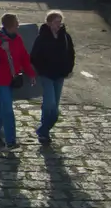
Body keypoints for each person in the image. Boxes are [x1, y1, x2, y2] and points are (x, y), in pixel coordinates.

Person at [0, 12, 34, 148]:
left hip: (12, 79)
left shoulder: (17, 38)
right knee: (8, 110)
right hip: (0, 80)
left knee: (2, 108)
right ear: (11, 25)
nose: (18, 25)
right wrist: (1, 50)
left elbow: (24, 57)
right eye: (16, 23)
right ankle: (10, 141)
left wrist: (31, 73)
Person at [29, 10, 76, 145]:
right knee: (50, 104)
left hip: (60, 76)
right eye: (56, 22)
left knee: (54, 110)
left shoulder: (65, 37)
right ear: (49, 23)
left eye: (60, 22)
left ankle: (43, 131)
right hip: (46, 75)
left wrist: (68, 69)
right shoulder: (42, 38)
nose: (58, 25)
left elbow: (71, 54)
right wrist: (40, 70)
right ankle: (43, 133)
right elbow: (34, 56)